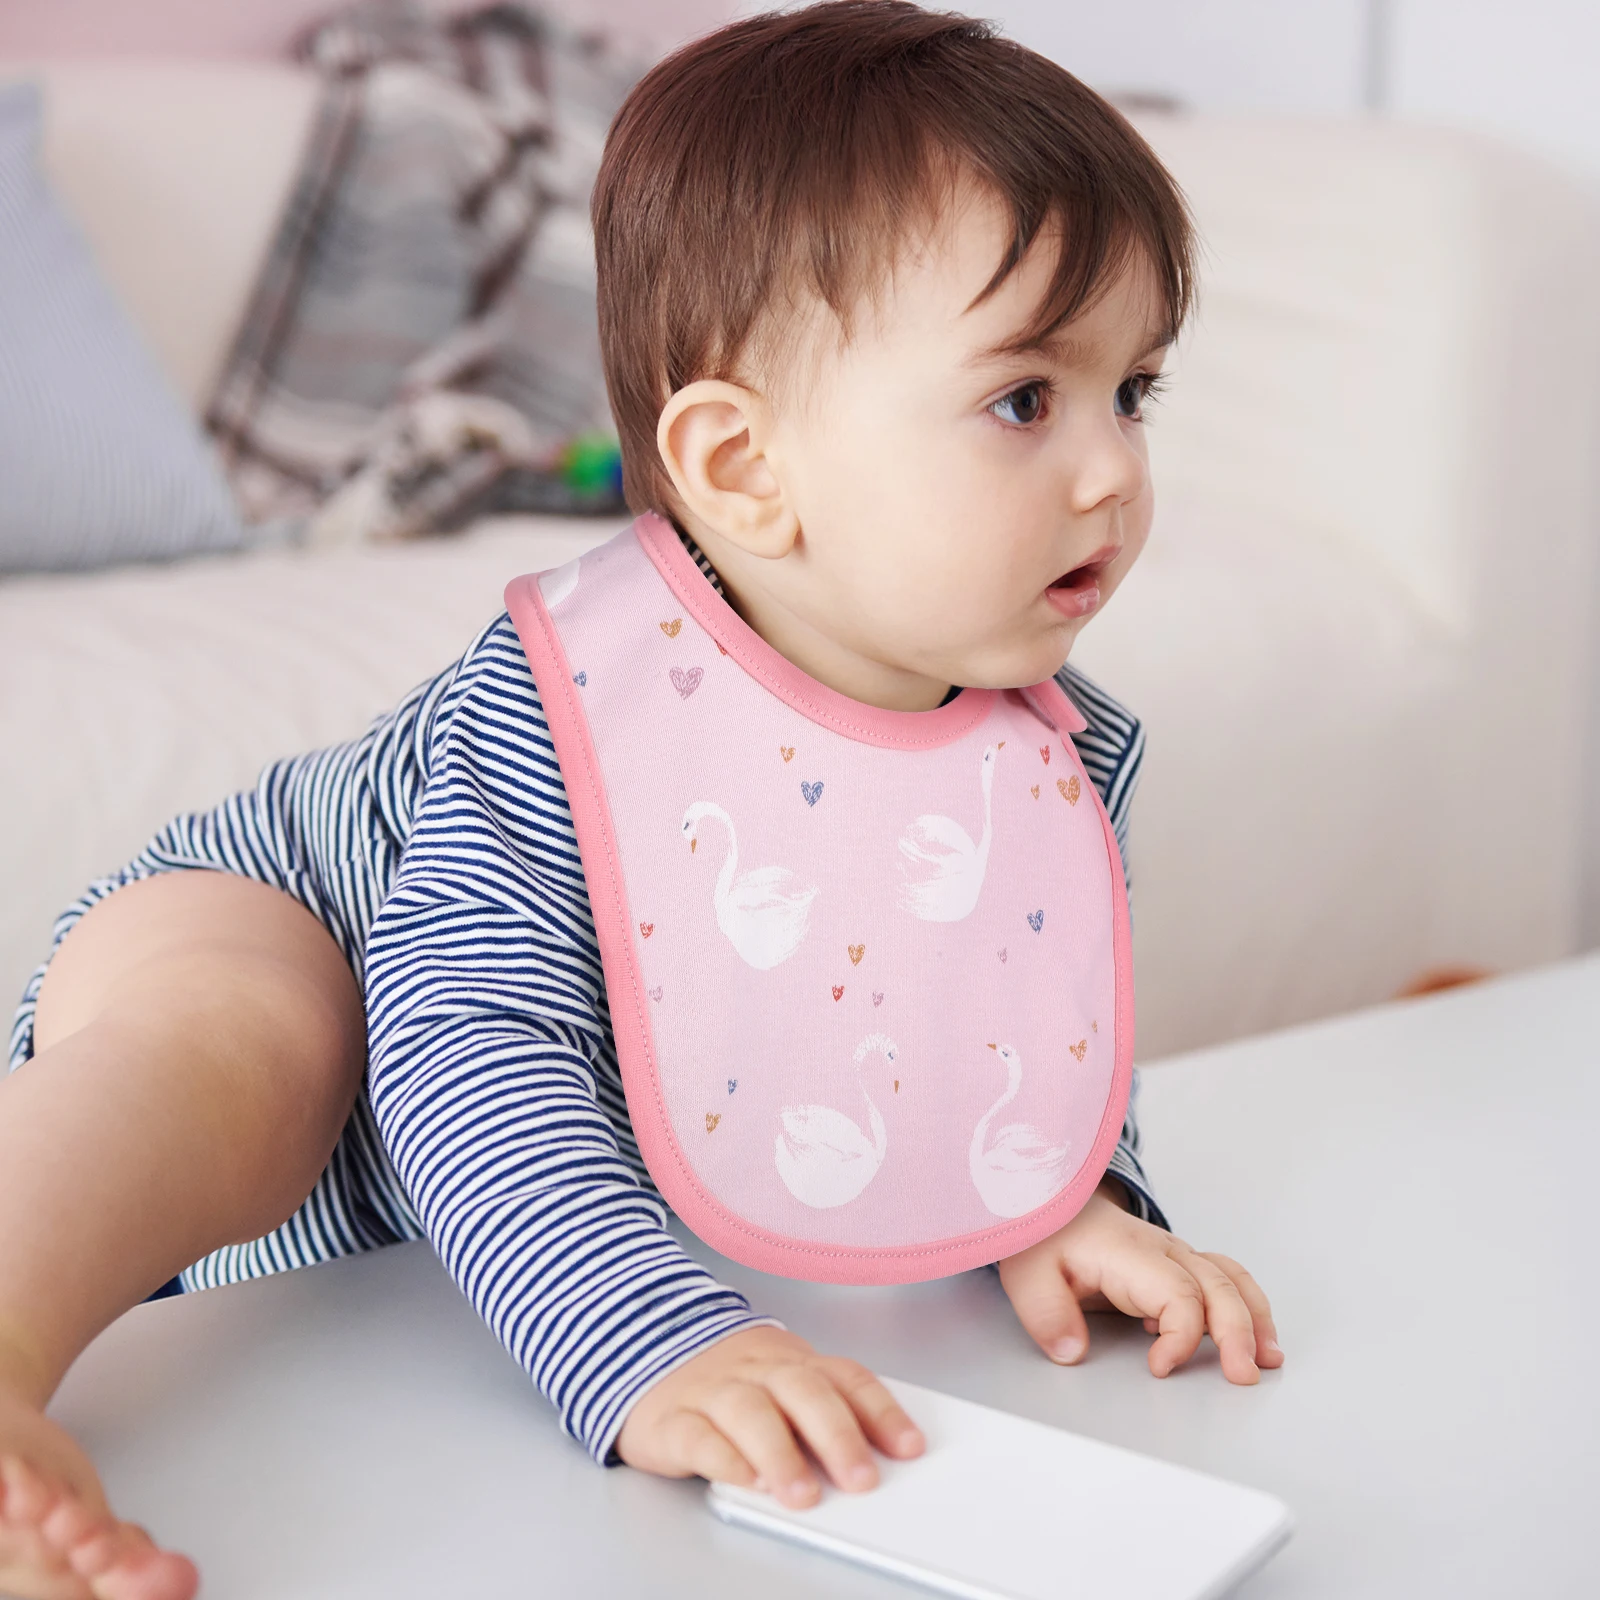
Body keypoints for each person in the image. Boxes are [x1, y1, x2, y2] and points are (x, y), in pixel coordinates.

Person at [0, 4, 1283, 1595]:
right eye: (1026, 400)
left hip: (474, 1161)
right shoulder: (561, 716)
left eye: (1134, 392)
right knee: (265, 1040)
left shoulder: (1060, 755)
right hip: (289, 929)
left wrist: (1066, 1196)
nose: (1111, 473)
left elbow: (1010, 1002)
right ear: (743, 472)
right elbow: (461, 1038)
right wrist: (649, 1338)